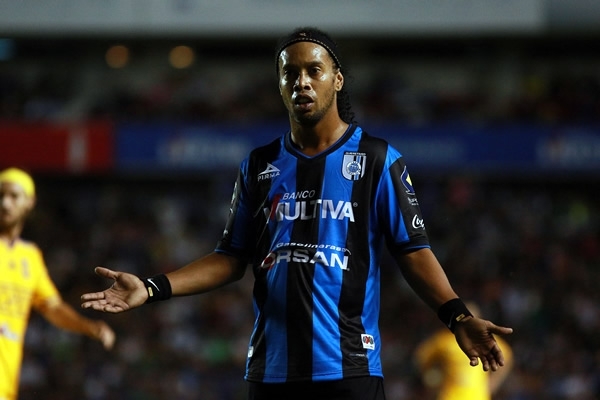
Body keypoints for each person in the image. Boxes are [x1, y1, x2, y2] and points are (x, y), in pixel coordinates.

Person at [81, 27, 513, 400]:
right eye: (290, 73)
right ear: (280, 85)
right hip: (271, 374)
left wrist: (457, 316)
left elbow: (413, 251)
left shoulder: (378, 160)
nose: (301, 81)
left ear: (337, 80)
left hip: (349, 371)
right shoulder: (259, 165)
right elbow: (231, 258)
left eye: (314, 71)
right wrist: (152, 288)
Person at [0, 167, 116, 400]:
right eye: (0, 195)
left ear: (30, 202)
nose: (5, 203)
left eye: (13, 196)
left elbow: (52, 307)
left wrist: (88, 327)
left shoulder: (30, 256)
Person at [414, 302, 514, 400]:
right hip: (450, 396)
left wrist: (491, 385)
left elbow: (506, 358)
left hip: (478, 397)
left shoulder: (485, 339)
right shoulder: (444, 340)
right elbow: (422, 357)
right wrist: (433, 380)